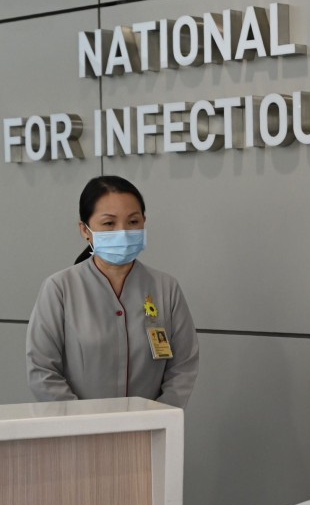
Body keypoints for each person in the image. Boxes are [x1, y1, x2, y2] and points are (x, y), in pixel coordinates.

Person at [26, 175, 199, 409]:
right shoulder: (60, 289)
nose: (124, 232)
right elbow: (42, 370)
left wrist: (159, 417)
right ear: (85, 230)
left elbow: (183, 365)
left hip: (149, 432)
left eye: (133, 221)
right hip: (80, 434)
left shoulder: (165, 287)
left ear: (144, 222)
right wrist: (84, 423)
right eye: (109, 223)